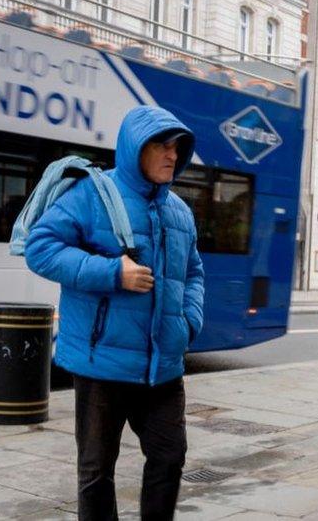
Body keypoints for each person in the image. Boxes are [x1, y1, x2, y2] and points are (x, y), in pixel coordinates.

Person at [25, 105, 205, 521]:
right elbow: (40, 249)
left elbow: (194, 272)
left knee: (169, 457)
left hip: (163, 366)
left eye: (177, 147)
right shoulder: (92, 194)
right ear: (134, 149)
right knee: (95, 470)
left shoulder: (180, 210)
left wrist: (188, 322)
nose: (171, 155)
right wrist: (112, 272)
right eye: (161, 145)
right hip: (100, 362)